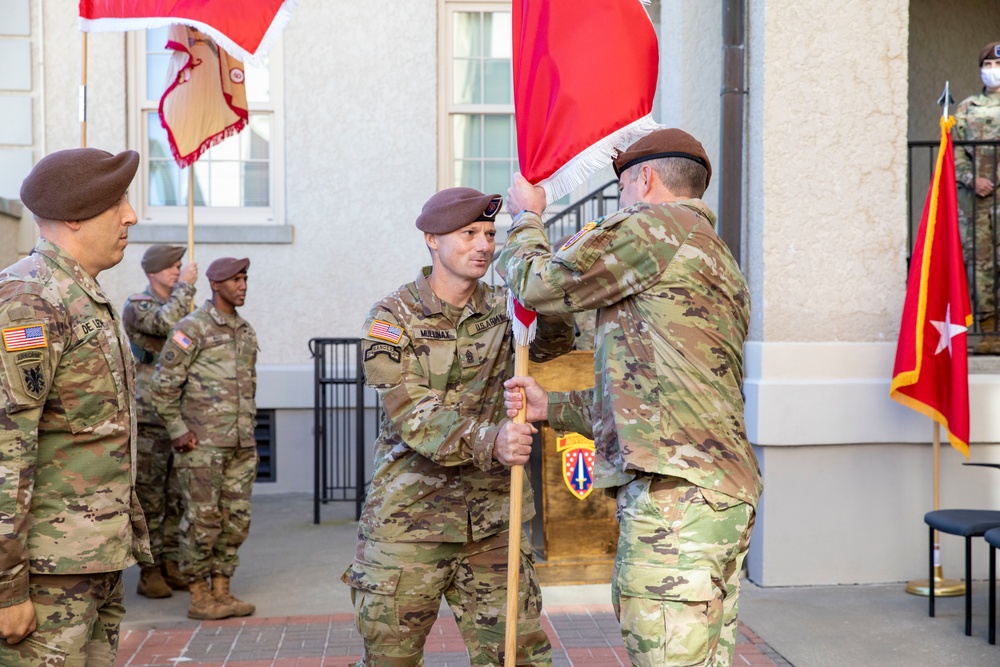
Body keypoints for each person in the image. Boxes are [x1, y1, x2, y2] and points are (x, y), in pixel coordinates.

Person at [499, 128, 762, 667]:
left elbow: (541, 285)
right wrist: (555, 408)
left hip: (677, 502)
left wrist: (526, 216)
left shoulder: (654, 228)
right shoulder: (711, 250)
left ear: (644, 179)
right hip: (711, 495)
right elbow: (659, 388)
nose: (619, 201)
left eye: (619, 188)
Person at [341, 187, 574, 666]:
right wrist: (494, 440)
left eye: (490, 233)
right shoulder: (392, 316)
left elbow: (556, 340)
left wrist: (535, 263)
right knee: (390, 659)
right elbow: (411, 412)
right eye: (468, 234)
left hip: (494, 521)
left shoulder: (509, 309)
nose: (484, 245)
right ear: (432, 239)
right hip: (410, 522)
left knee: (518, 658)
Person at [0, 147, 152, 665]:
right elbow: (5, 450)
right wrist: (7, 587)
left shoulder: (80, 294)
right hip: (46, 573)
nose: (131, 215)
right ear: (75, 214)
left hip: (91, 559)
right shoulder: (31, 298)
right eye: (118, 202)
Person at [150, 257, 258, 621]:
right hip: (203, 448)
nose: (242, 285)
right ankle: (199, 596)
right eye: (235, 280)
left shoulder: (245, 330)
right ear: (215, 284)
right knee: (202, 521)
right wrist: (179, 431)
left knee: (235, 521)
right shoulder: (191, 328)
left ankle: (222, 591)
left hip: (241, 446)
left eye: (245, 279)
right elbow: (162, 385)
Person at [123, 245, 198, 598]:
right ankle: (149, 570)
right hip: (150, 413)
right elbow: (165, 324)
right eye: (172, 268)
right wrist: (186, 287)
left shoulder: (184, 306)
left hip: (178, 413)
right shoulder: (139, 304)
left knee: (176, 496)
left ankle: (170, 562)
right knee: (150, 498)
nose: (178, 272)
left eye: (180, 267)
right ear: (153, 272)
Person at [955, 41, 1000, 352]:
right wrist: (973, 179)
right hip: (975, 203)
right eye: (987, 65)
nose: (992, 71)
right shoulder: (966, 108)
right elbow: (954, 155)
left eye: (997, 66)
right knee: (979, 264)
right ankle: (989, 332)